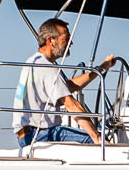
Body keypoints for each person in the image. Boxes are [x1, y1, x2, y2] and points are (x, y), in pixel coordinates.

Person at [13, 18, 120, 147]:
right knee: (93, 139)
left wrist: (101, 68)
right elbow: (71, 104)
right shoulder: (47, 68)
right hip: (39, 134)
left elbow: (68, 86)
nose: (71, 42)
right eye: (66, 38)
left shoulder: (34, 61)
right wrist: (97, 137)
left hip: (26, 135)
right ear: (50, 40)